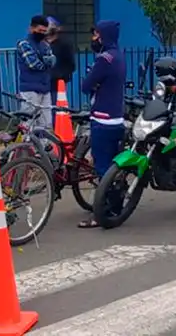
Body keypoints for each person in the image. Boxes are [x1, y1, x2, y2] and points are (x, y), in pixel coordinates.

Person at [78, 21, 125, 229]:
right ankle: (116, 205)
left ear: (104, 36)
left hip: (102, 118)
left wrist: (92, 82)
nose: (93, 38)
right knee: (115, 165)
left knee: (103, 167)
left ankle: (103, 211)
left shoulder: (104, 59)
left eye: (96, 34)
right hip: (117, 117)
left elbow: (86, 85)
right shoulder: (119, 56)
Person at [17, 15, 56, 130]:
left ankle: (43, 147)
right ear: (31, 28)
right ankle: (25, 147)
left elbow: (52, 61)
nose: (42, 33)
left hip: (45, 88)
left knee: (46, 124)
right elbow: (33, 64)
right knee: (28, 124)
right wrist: (46, 63)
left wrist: (45, 61)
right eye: (40, 30)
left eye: (45, 31)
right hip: (30, 89)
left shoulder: (45, 45)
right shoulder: (24, 44)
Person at [46, 17, 77, 117]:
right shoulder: (43, 44)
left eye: (51, 25)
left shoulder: (64, 44)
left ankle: (57, 128)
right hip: (43, 82)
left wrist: (61, 75)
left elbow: (71, 64)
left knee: (56, 108)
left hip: (57, 82)